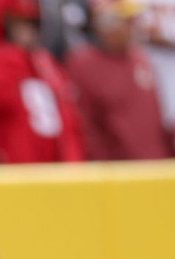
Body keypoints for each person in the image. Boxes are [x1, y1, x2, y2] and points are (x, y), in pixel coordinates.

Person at [0, 0, 85, 163]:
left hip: (53, 167)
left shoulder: (44, 60)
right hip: (8, 166)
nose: (26, 30)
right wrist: (15, 55)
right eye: (18, 22)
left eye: (31, 22)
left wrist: (73, 160)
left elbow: (67, 116)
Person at [65, 0, 174, 160]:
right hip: (116, 173)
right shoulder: (84, 64)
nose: (132, 27)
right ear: (105, 24)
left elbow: (155, 119)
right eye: (126, 21)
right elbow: (85, 126)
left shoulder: (140, 58)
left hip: (155, 167)